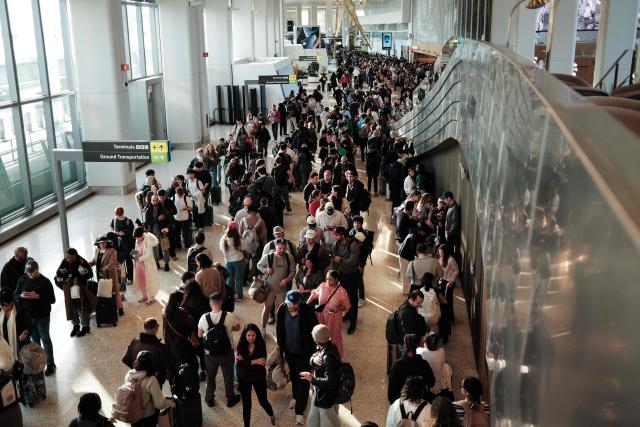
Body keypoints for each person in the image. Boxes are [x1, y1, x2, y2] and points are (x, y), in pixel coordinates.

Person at [276, 290, 318, 425]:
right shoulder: (282, 309)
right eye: (288, 303)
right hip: (289, 351)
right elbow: (279, 330)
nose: (290, 306)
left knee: (303, 381)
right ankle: (295, 396)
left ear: (299, 302)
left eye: (293, 304)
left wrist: (314, 354)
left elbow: (315, 332)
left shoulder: (307, 311)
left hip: (304, 353)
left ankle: (300, 411)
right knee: (293, 376)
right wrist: (280, 350)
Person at [197, 293, 241, 408]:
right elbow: (237, 328)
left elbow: (200, 335)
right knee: (228, 375)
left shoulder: (204, 317)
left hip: (210, 354)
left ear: (210, 304)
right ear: (221, 302)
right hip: (226, 352)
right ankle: (230, 398)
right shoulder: (229, 316)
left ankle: (209, 398)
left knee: (211, 376)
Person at [13, 260, 56, 375]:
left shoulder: (45, 282)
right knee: (35, 342)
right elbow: (15, 295)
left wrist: (38, 296)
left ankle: (50, 364)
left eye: (32, 272)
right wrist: (21, 296)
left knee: (45, 339)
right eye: (28, 272)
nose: (29, 274)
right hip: (28, 317)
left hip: (42, 316)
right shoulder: (22, 280)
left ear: (37, 269)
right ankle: (39, 363)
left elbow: (52, 299)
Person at [300, 324, 341, 427]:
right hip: (319, 393)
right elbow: (314, 356)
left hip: (327, 398)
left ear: (316, 339)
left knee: (328, 422)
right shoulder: (326, 345)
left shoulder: (328, 357)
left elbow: (330, 382)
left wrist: (312, 379)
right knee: (313, 420)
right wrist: (312, 359)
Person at [235, 323, 276, 426]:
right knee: (247, 405)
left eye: (253, 335)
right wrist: (255, 361)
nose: (251, 338)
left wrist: (246, 361)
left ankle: (271, 414)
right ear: (245, 335)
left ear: (257, 335)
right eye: (248, 335)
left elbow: (263, 362)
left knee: (263, 401)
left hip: (258, 377)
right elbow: (239, 364)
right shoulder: (241, 345)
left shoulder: (261, 344)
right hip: (244, 378)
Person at [123, 351, 175, 427]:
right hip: (147, 418)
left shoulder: (129, 374)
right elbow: (159, 404)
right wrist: (171, 403)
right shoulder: (151, 380)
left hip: (133, 416)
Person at [306, 270, 350, 357]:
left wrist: (337, 309)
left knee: (334, 337)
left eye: (331, 280)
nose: (328, 282)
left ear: (336, 279)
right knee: (320, 335)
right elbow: (314, 294)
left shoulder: (342, 291)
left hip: (334, 318)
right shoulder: (322, 286)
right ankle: (320, 355)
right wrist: (307, 304)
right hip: (321, 316)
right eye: (327, 279)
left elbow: (346, 306)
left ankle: (335, 356)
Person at [256, 239, 295, 336]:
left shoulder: (289, 257)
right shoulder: (269, 256)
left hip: (281, 290)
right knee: (267, 308)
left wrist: (287, 279)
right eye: (280, 248)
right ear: (276, 247)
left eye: (284, 248)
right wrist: (266, 270)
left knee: (281, 311)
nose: (282, 250)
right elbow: (258, 265)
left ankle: (280, 329)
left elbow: (293, 271)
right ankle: (263, 328)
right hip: (269, 289)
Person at [54, 248, 94, 337]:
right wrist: (62, 278)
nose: (68, 260)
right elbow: (58, 273)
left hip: (80, 288)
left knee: (81, 307)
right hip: (69, 288)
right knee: (71, 307)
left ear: (75, 256)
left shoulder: (82, 262)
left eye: (70, 258)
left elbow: (90, 274)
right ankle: (76, 325)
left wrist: (79, 278)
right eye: (66, 257)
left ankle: (85, 326)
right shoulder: (65, 261)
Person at [388, 334, 436, 404]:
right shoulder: (423, 364)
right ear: (417, 346)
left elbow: (391, 393)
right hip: (420, 402)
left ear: (405, 346)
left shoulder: (397, 365)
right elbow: (432, 382)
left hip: (403, 403)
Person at [121, 318, 169, 387]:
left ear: (144, 328)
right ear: (156, 329)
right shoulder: (161, 348)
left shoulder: (135, 342)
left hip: (135, 381)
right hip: (151, 384)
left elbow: (125, 359)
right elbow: (165, 369)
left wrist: (136, 369)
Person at [163, 290, 198, 378]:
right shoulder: (181, 315)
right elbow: (192, 323)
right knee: (185, 362)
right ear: (179, 301)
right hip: (181, 343)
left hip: (169, 341)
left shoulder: (165, 311)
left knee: (174, 361)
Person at [331, 227, 360, 334]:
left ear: (343, 235)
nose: (335, 237)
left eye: (337, 235)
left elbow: (353, 261)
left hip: (353, 275)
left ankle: (353, 322)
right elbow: (334, 261)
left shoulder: (353, 245)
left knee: (353, 299)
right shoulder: (336, 245)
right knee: (344, 297)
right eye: (334, 235)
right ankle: (347, 314)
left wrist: (341, 259)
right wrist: (333, 274)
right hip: (342, 274)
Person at [91, 235, 124, 316]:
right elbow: (95, 260)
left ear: (107, 243)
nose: (102, 244)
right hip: (100, 275)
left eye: (104, 243)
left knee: (115, 292)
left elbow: (112, 263)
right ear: (98, 244)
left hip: (111, 275)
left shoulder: (112, 251)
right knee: (104, 293)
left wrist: (104, 268)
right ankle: (109, 309)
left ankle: (120, 309)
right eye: (101, 243)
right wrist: (89, 264)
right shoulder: (97, 250)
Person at [417, 332, 452, 397]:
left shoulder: (420, 351)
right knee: (447, 367)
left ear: (426, 343)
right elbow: (443, 362)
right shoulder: (441, 351)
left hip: (426, 386)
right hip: (438, 385)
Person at [144, 194, 172, 271]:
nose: (155, 202)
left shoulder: (163, 209)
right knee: (154, 249)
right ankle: (157, 263)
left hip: (162, 232)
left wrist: (168, 228)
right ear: (151, 201)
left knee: (165, 248)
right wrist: (157, 219)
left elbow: (170, 219)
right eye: (154, 200)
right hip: (152, 233)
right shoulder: (148, 210)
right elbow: (148, 222)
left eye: (156, 200)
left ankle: (166, 263)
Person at [219, 221, 246, 301]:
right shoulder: (239, 238)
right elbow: (244, 248)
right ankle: (240, 297)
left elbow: (221, 249)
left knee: (229, 279)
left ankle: (230, 296)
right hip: (239, 260)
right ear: (236, 228)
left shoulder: (224, 238)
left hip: (228, 261)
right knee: (239, 279)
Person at [0, 289, 30, 360]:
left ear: (11, 302)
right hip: (4, 348)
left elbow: (30, 326)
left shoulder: (20, 310)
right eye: (0, 304)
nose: (2, 307)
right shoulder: (0, 310)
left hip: (19, 346)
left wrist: (25, 332)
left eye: (4, 305)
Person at [132, 226, 160, 304]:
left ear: (142, 235)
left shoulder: (148, 241)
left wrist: (138, 258)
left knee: (149, 280)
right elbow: (136, 250)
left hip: (146, 264)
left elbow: (149, 255)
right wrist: (134, 255)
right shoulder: (137, 240)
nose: (137, 239)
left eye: (138, 237)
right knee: (141, 280)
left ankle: (151, 297)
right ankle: (144, 295)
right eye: (136, 238)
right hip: (138, 264)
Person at [110, 207, 135, 283]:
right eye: (117, 215)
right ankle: (121, 277)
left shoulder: (128, 221)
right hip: (118, 244)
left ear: (123, 213)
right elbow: (112, 228)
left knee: (128, 260)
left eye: (120, 215)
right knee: (119, 261)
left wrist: (124, 233)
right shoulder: (114, 220)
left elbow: (131, 232)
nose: (119, 217)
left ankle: (130, 277)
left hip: (127, 243)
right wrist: (115, 233)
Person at [437, 244, 459, 331]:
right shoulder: (441, 258)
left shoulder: (451, 259)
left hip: (448, 283)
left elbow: (456, 270)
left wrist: (451, 280)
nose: (440, 254)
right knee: (442, 300)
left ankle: (450, 318)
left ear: (445, 252)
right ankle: (444, 316)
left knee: (448, 300)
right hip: (442, 281)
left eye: (441, 253)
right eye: (439, 252)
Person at [442, 191, 461, 262]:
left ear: (449, 198)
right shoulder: (451, 207)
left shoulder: (454, 208)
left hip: (451, 235)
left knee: (450, 255)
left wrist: (449, 234)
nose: (444, 201)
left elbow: (455, 223)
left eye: (445, 199)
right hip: (449, 235)